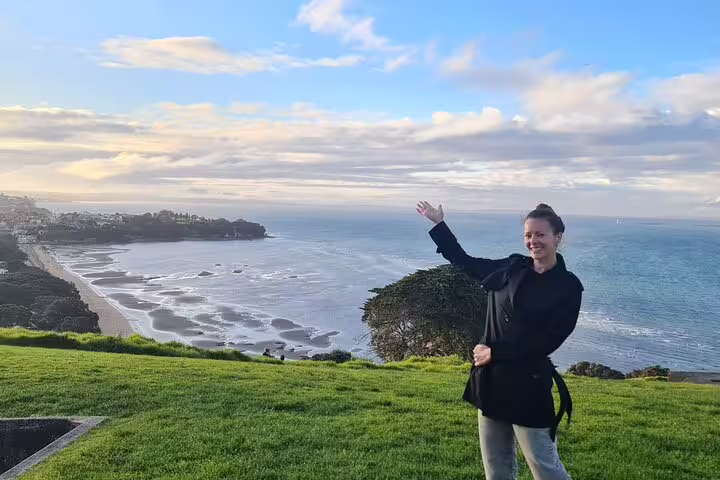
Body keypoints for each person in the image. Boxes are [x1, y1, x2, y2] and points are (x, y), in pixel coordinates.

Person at [416, 200, 583, 480]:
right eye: (528, 235)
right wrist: (438, 224)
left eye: (540, 235)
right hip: (491, 382)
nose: (533, 241)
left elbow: (548, 341)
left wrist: (495, 352)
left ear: (557, 237)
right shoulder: (512, 268)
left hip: (528, 385)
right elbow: (465, 262)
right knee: (496, 468)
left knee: (545, 466)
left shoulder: (568, 286)